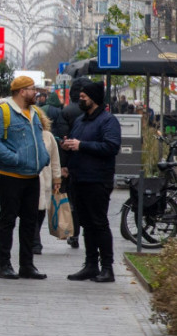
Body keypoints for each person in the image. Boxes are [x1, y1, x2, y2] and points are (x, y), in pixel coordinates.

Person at [0, 76, 50, 280]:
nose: (35, 93)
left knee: (30, 221)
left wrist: (44, 157)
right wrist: (14, 158)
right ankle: (4, 265)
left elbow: (38, 139)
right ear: (21, 91)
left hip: (32, 175)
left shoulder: (34, 113)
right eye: (32, 89)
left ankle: (27, 265)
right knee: (8, 220)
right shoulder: (3, 112)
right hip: (9, 175)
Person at [62, 81, 121, 283]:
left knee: (99, 223)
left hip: (97, 180)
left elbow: (111, 146)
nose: (81, 98)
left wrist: (81, 145)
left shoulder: (108, 121)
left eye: (84, 96)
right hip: (79, 179)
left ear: (94, 98)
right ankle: (90, 265)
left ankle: (107, 268)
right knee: (86, 224)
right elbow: (77, 144)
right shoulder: (80, 120)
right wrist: (68, 148)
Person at [56, 77, 89, 249]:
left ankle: (74, 234)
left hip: (72, 164)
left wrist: (63, 165)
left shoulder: (67, 111)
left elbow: (63, 141)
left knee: (73, 200)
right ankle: (88, 232)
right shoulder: (92, 111)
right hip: (90, 163)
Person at [33, 110, 62, 255]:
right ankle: (35, 241)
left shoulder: (48, 136)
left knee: (41, 210)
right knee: (30, 211)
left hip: (45, 179)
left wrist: (57, 178)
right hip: (29, 177)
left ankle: (34, 236)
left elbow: (55, 159)